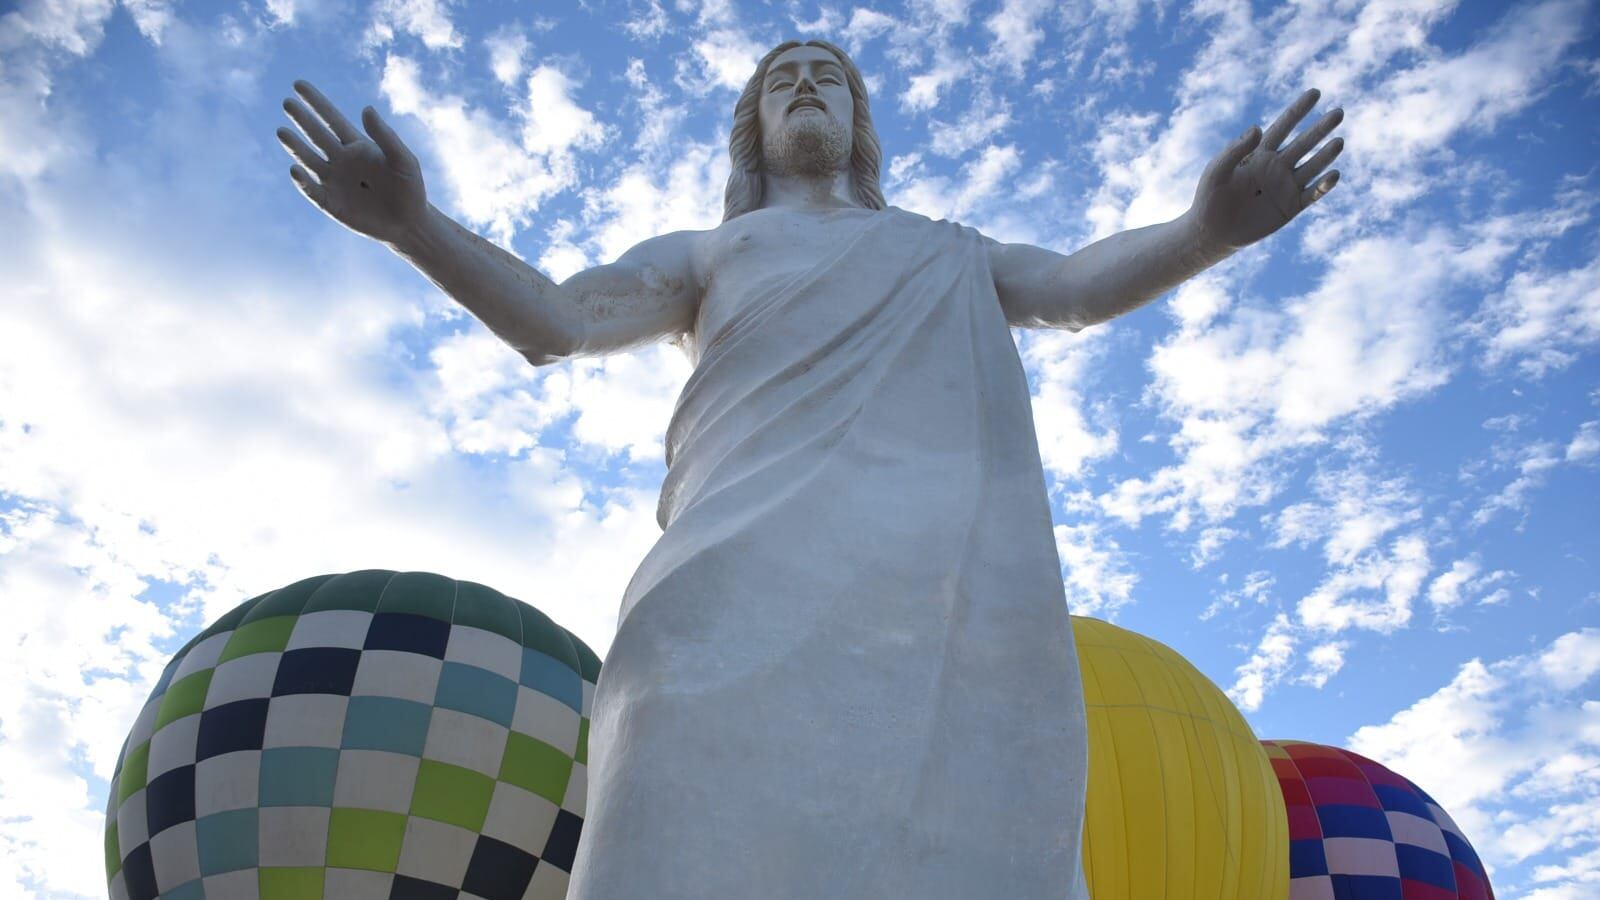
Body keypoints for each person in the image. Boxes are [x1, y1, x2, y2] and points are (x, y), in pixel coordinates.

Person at [279, 39, 1342, 899]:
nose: (803, 86)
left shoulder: (945, 251)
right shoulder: (710, 253)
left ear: (857, 122)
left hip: (927, 596)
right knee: (665, 804)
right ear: (753, 128)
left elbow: (1068, 286)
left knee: (961, 828)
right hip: (725, 583)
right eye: (780, 78)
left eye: (826, 75)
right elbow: (556, 319)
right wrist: (414, 227)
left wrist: (1206, 231)